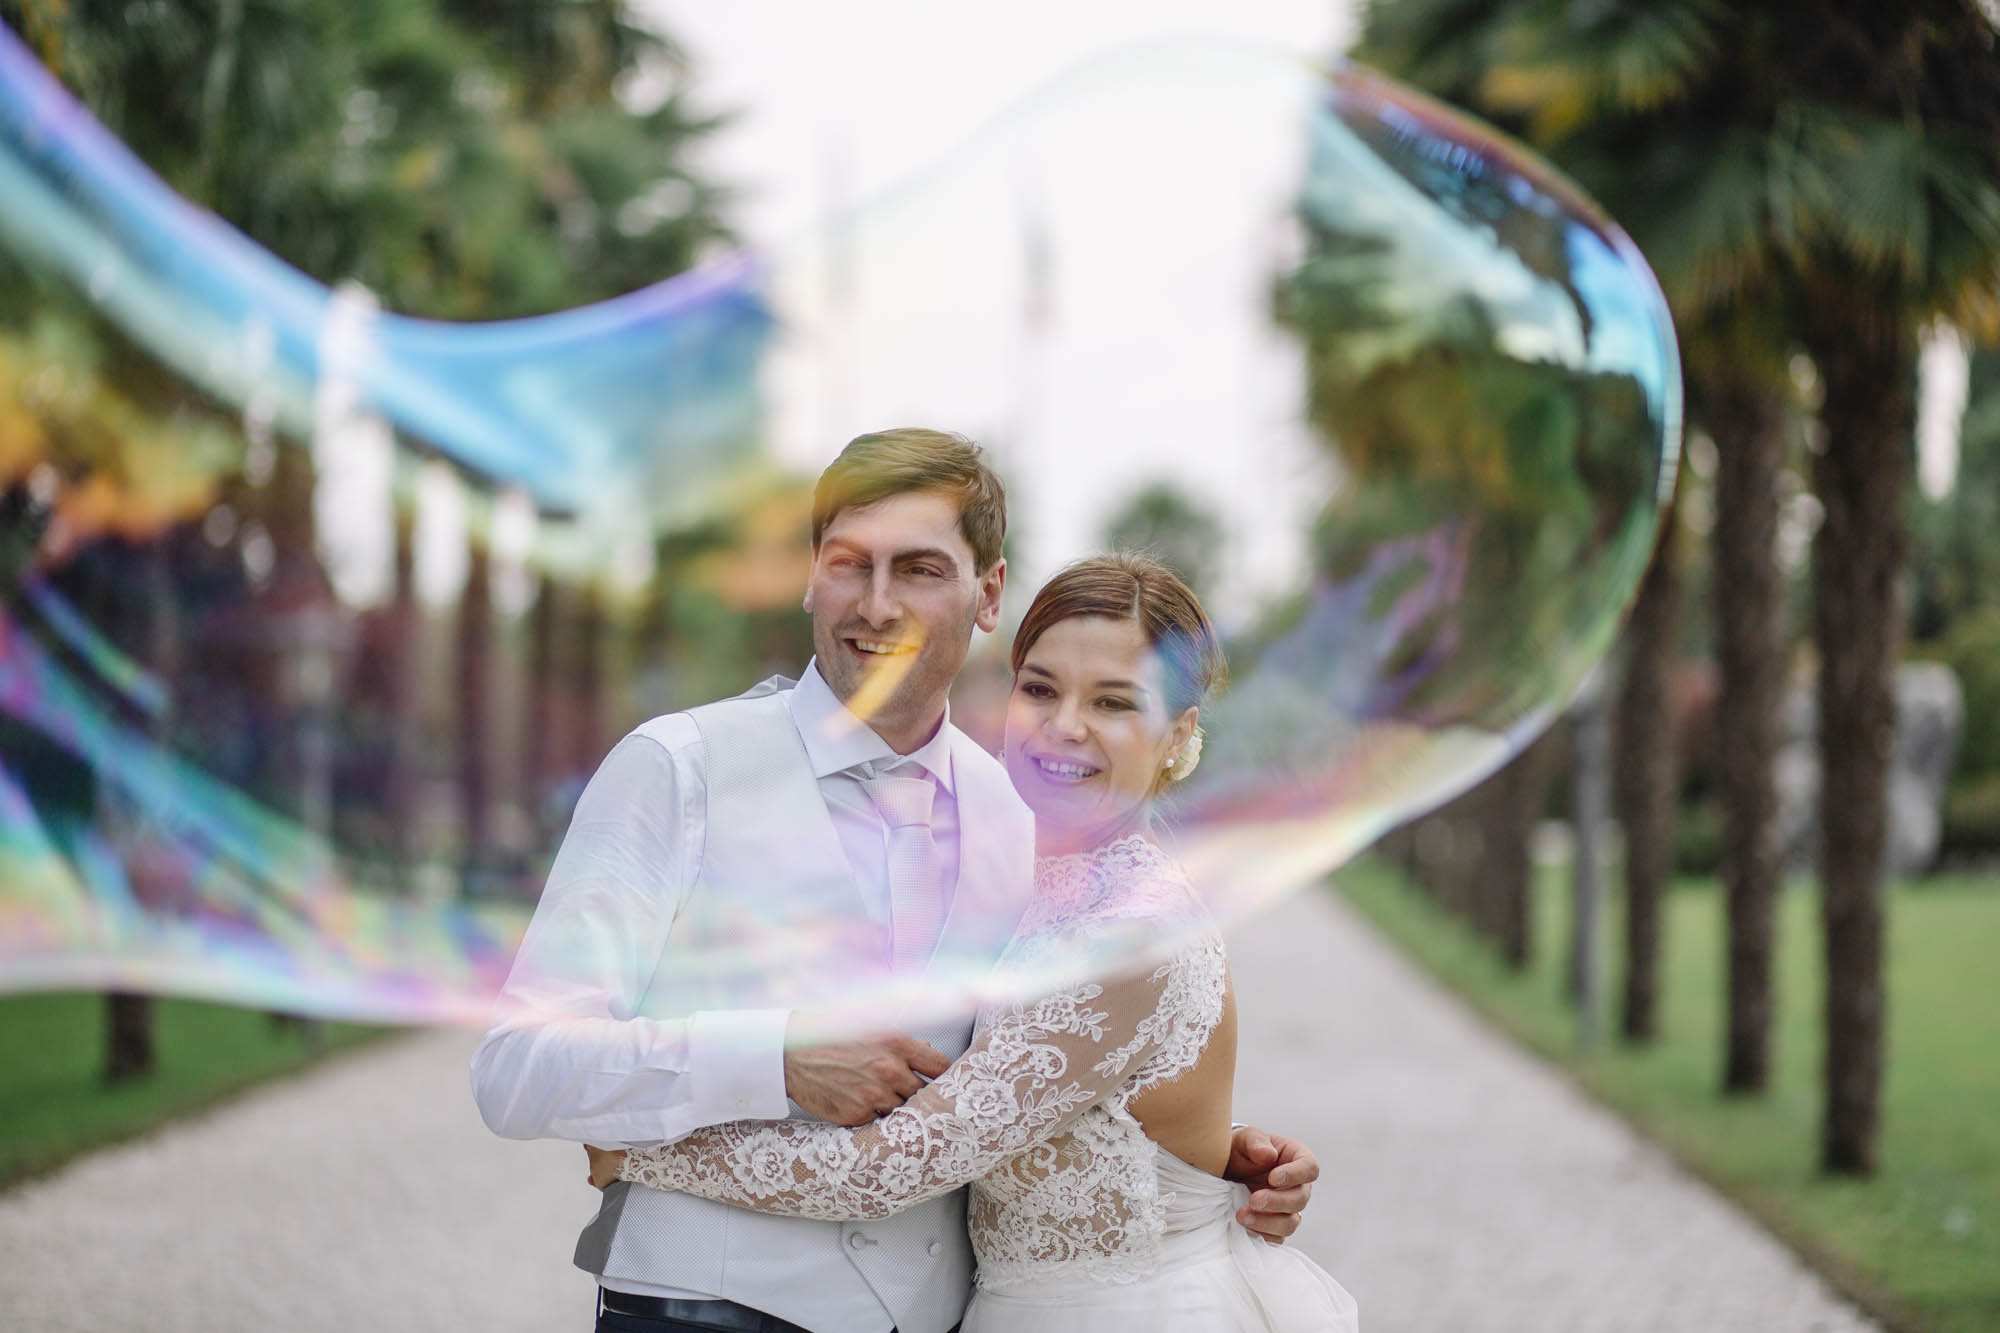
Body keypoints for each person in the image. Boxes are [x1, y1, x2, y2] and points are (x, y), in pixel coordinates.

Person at [471, 430, 1320, 1333]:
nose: (878, 605)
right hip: (699, 1309)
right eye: (849, 564)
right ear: (810, 576)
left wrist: (1191, 1162)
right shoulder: (678, 769)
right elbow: (515, 1070)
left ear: (987, 592)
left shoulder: (1021, 810)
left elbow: (1054, 1073)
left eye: (919, 569)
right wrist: (772, 1059)